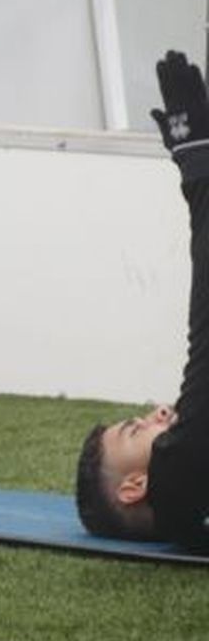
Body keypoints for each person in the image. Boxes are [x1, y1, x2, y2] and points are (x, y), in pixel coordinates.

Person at [75, 50, 209, 552]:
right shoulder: (181, 479)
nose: (158, 411)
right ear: (136, 486)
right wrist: (196, 165)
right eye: (137, 428)